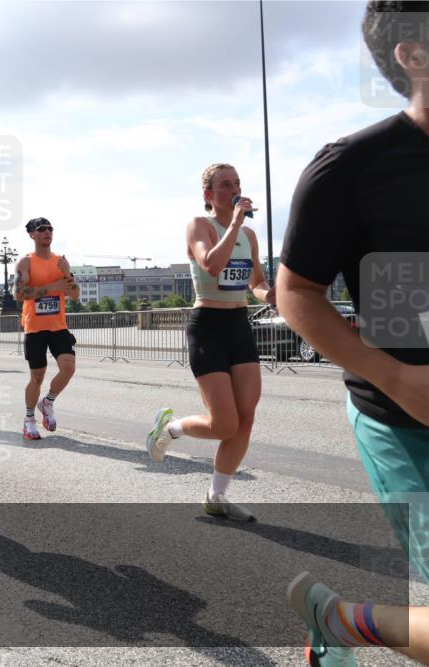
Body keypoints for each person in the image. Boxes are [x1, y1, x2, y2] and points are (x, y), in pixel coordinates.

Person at [279, 4, 429, 664]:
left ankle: (342, 623)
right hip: (407, 418)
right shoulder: (351, 167)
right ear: (413, 55)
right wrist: (393, 373)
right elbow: (295, 293)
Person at [145, 164, 274, 522]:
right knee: (224, 423)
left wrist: (273, 295)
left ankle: (216, 496)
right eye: (225, 184)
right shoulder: (200, 226)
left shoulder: (248, 235)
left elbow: (256, 282)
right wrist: (234, 222)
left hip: (238, 325)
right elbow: (212, 264)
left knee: (245, 419)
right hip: (208, 327)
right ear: (209, 194)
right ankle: (169, 429)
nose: (234, 188)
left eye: (237, 183)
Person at [14, 217, 80, 441]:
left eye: (50, 228)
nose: (47, 232)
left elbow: (75, 294)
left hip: (58, 326)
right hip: (35, 328)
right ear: (32, 234)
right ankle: (29, 418)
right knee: (37, 377)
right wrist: (52, 287)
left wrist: (68, 275)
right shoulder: (26, 262)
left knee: (68, 368)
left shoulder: (61, 261)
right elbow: (19, 294)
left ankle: (48, 402)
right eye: (41, 229)